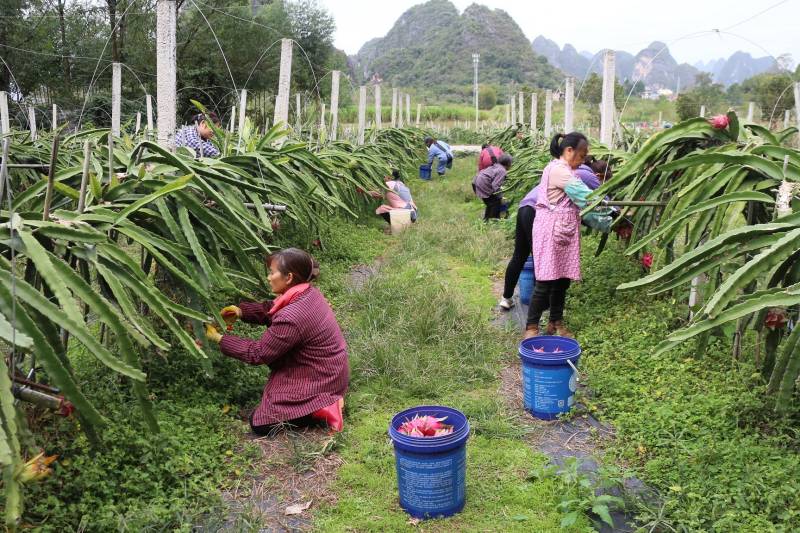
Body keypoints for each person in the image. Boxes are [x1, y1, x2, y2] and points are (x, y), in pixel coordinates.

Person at [204, 248, 349, 434]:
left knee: (259, 423)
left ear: (288, 277)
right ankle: (325, 399)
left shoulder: (292, 316)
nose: (268, 277)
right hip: (331, 371)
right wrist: (240, 312)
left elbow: (258, 353)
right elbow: (272, 309)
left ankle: (323, 407)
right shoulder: (307, 293)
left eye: (272, 272)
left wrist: (219, 338)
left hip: (320, 379)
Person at [523, 133, 613, 338]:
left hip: (563, 230)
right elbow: (585, 196)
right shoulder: (559, 171)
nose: (583, 161)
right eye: (581, 156)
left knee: (562, 280)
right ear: (569, 150)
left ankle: (556, 323)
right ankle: (531, 328)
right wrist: (612, 210)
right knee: (545, 280)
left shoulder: (565, 169)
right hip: (551, 230)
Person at [498, 155, 610, 310]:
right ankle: (541, 308)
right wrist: (616, 218)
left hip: (526, 206)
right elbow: (602, 203)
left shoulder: (570, 169)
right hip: (539, 212)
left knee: (520, 255)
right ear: (599, 176)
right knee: (541, 260)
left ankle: (507, 298)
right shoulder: (589, 176)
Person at [473, 153, 513, 221]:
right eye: (511, 163)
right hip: (483, 185)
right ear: (508, 164)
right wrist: (501, 196)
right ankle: (493, 219)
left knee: (490, 203)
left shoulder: (496, 166)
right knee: (496, 203)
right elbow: (495, 185)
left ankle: (486, 220)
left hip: (476, 182)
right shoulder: (502, 170)